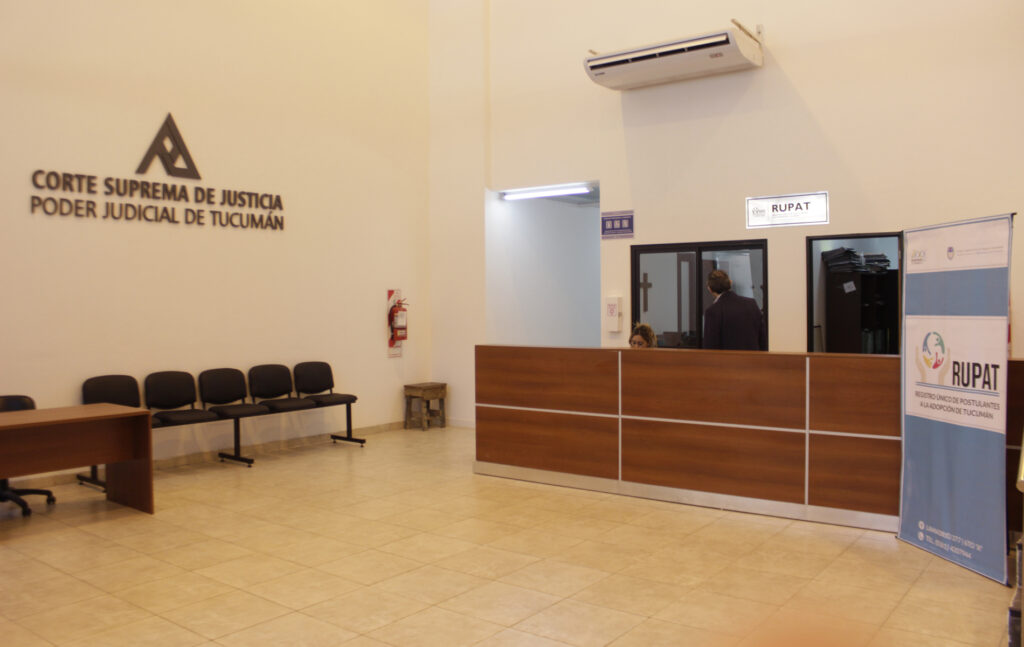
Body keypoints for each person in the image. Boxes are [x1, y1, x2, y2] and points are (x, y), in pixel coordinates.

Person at [702, 269, 767, 350]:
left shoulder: (712, 312)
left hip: (727, 358)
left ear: (709, 288)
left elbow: (710, 347)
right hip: (753, 357)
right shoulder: (751, 304)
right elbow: (763, 340)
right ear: (730, 283)